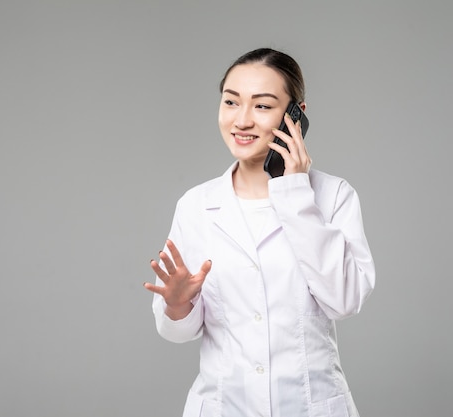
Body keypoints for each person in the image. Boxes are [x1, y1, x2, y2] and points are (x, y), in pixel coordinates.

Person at [143, 47, 376, 417]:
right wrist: (177, 303)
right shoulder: (197, 204)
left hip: (310, 406)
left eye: (263, 106)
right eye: (231, 102)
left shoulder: (333, 196)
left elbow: (345, 300)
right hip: (223, 407)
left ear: (295, 116)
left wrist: (295, 193)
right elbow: (176, 332)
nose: (242, 120)